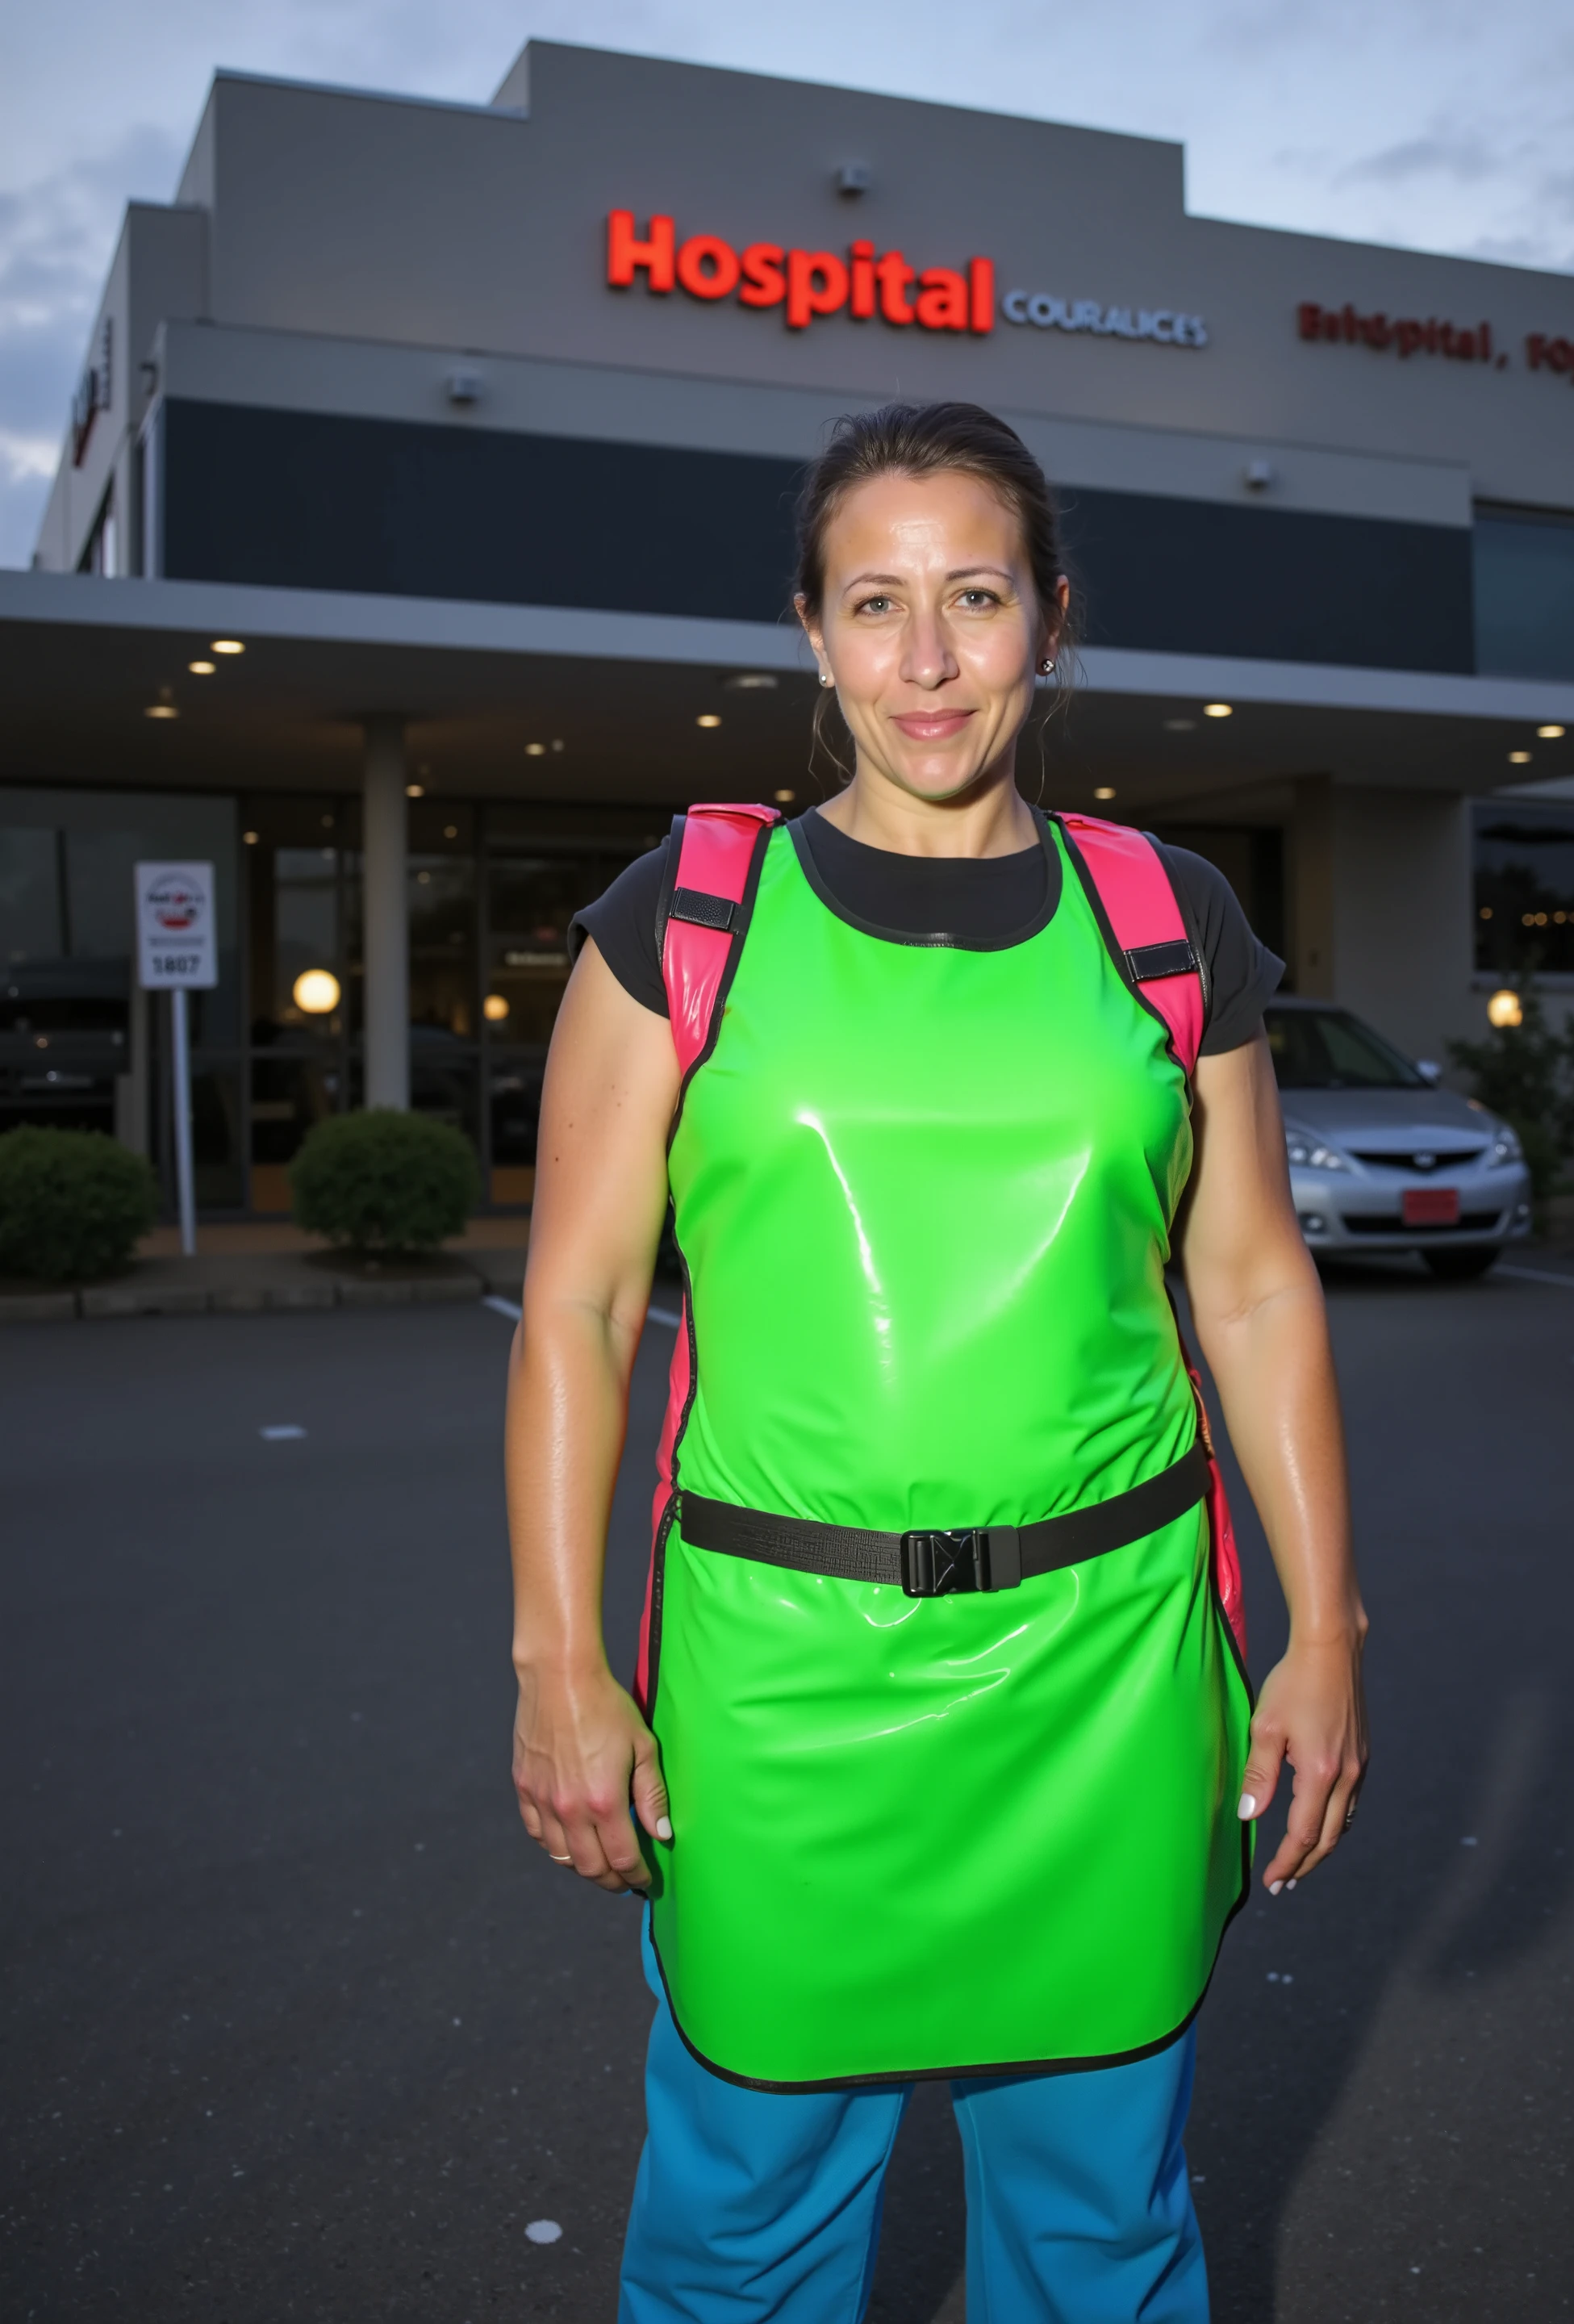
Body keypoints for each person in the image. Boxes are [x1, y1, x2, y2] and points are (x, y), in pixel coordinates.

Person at [505, 400, 1367, 2323]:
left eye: (973, 597)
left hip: (1112, 1679)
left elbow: (1250, 1288)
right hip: (778, 1687)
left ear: (1051, 618)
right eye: (873, 603)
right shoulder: (688, 923)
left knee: (1102, 2228)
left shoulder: (1165, 921)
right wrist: (561, 1662)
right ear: (809, 633)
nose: (925, 660)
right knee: (742, 2223)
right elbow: (572, 1307)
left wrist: (1325, 1631)